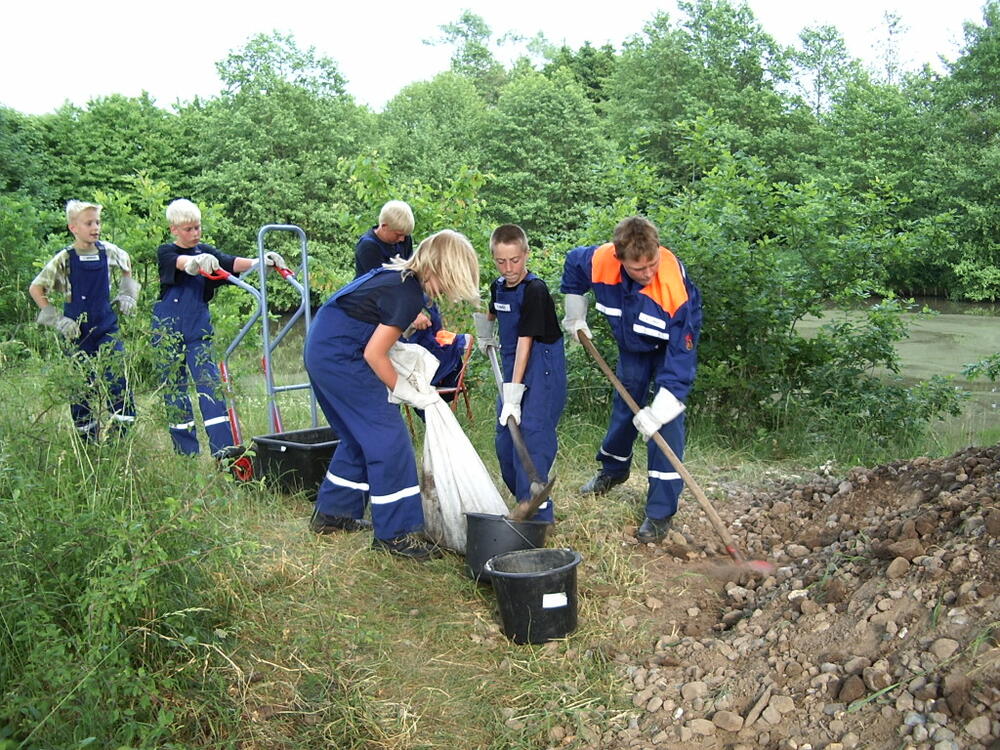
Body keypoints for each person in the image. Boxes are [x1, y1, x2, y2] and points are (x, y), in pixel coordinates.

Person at [305, 229, 480, 560]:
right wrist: (403, 391)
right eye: (450, 281)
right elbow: (375, 354)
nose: (446, 291)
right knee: (390, 440)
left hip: (323, 348)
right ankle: (396, 534)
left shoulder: (399, 277)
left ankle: (333, 513)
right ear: (440, 268)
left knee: (360, 438)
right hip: (342, 357)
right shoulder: (408, 294)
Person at [560, 216, 702, 544]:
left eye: (653, 263)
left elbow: (681, 362)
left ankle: (660, 512)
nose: (648, 272)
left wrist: (661, 409)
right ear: (619, 259)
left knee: (664, 425)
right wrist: (575, 314)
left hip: (670, 346)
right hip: (633, 345)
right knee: (626, 407)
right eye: (639, 269)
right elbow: (573, 265)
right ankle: (613, 470)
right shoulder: (600, 261)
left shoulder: (672, 291)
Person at [152, 198, 286, 457]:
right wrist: (194, 263)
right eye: (188, 229)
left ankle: (222, 452)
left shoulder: (206, 250)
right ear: (174, 230)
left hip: (198, 327)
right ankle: (186, 454)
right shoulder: (166, 252)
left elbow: (230, 261)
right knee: (175, 389)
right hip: (166, 329)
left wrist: (260, 262)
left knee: (210, 386)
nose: (195, 233)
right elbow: (181, 263)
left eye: (197, 228)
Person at [474, 224, 566, 524]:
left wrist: (513, 394)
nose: (509, 268)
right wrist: (485, 332)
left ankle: (538, 518)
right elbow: (492, 309)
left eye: (515, 260)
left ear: (526, 254)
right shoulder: (498, 284)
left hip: (542, 366)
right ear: (494, 259)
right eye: (501, 261)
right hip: (512, 362)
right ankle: (522, 503)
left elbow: (526, 341)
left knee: (532, 437)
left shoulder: (535, 290)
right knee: (505, 440)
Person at [29, 200, 139, 441]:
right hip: (76, 332)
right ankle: (88, 443)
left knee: (117, 378)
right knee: (80, 385)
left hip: (107, 326)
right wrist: (58, 320)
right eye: (88, 223)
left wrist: (127, 294)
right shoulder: (64, 259)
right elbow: (36, 289)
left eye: (97, 222)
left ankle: (123, 439)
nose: (95, 227)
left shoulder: (108, 251)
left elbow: (126, 263)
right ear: (73, 227)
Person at [354, 199, 465, 400]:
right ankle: (402, 385)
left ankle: (435, 370)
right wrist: (412, 315)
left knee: (432, 312)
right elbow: (381, 289)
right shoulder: (368, 247)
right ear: (384, 226)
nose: (402, 239)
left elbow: (410, 272)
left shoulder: (404, 239)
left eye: (405, 235)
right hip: (376, 305)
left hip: (402, 291)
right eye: (398, 235)